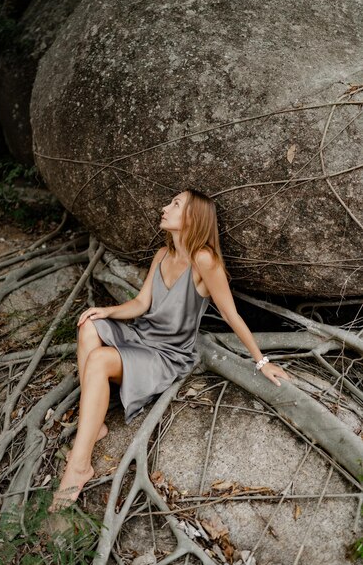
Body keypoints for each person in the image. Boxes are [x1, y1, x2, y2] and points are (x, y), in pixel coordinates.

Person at [49, 189, 290, 511]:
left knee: (99, 359)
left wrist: (262, 362)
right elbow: (141, 303)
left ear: (192, 218)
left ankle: (79, 464)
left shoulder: (205, 260)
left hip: (168, 355)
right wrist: (106, 311)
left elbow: (231, 314)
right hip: (142, 336)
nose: (164, 207)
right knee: (89, 326)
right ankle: (97, 424)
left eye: (175, 204)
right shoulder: (162, 255)